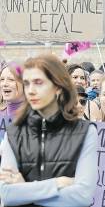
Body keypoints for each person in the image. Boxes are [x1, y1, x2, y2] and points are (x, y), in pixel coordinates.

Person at [0, 54, 97, 206]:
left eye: (38, 83)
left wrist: (24, 187)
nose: (30, 90)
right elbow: (7, 195)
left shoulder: (86, 132)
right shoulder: (13, 133)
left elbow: (82, 195)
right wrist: (58, 183)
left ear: (58, 87)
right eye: (26, 83)